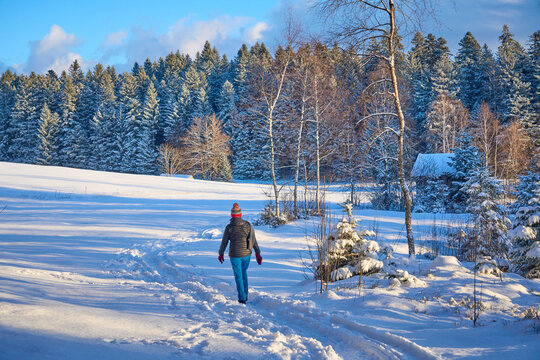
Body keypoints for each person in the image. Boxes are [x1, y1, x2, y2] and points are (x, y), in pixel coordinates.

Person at [218, 203, 262, 304]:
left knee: (238, 275)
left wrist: (221, 253)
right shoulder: (248, 225)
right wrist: (257, 253)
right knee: (244, 273)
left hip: (235, 255)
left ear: (232, 215)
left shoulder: (229, 227)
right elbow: (253, 240)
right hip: (247, 253)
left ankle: (242, 298)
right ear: (240, 214)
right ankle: (245, 295)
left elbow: (224, 242)